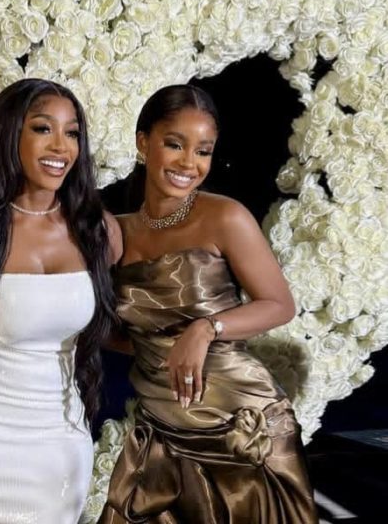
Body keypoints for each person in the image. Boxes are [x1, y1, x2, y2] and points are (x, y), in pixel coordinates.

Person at [99, 84, 317, 523]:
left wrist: (205, 329)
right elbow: (109, 330)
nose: (189, 163)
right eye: (175, 144)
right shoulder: (115, 232)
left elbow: (278, 304)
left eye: (203, 151)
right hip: (160, 433)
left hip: (241, 432)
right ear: (143, 143)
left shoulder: (224, 216)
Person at [0, 78, 122, 523]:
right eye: (42, 128)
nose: (60, 146)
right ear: (9, 135)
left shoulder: (99, 232)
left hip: (61, 430)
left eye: (71, 133)